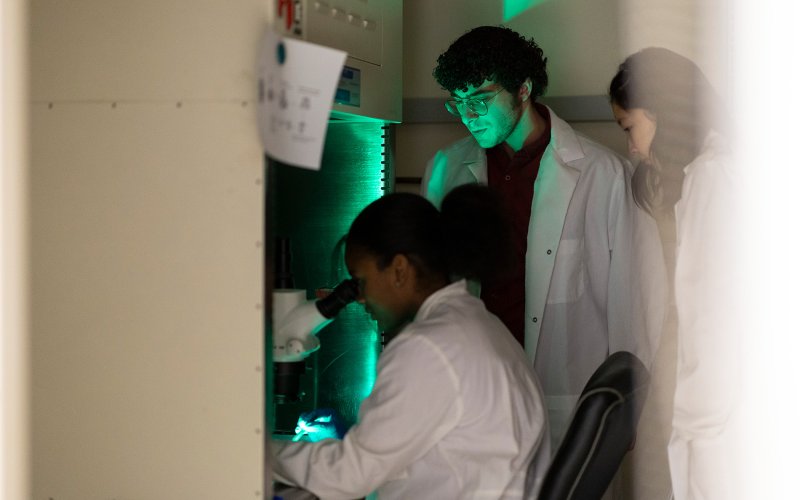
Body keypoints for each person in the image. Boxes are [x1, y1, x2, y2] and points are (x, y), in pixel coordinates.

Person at [421, 25, 667, 449]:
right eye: (458, 103)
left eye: (480, 100)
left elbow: (637, 305)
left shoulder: (602, 174)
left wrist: (626, 411)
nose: (468, 116)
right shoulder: (447, 168)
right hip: (473, 394)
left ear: (523, 89)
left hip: (566, 402)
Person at [271, 185, 550, 499]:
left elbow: (349, 476)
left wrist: (261, 452)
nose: (359, 298)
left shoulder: (428, 347)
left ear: (399, 270)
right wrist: (358, 440)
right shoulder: (482, 325)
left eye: (361, 280)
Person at [609, 47, 742, 500]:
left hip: (719, 426)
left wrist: (690, 426)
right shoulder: (724, 169)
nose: (632, 147)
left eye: (629, 127)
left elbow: (711, 322)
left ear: (658, 113)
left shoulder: (712, 177)